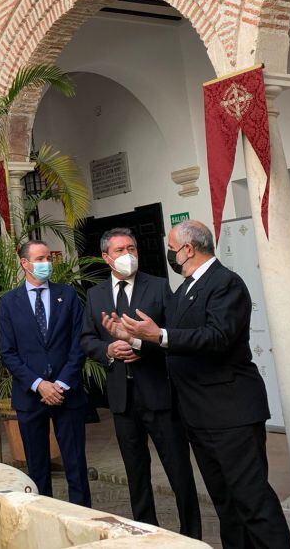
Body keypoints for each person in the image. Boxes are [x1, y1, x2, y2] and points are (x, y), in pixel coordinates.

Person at [115, 219, 290, 549]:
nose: (168, 253)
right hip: (199, 415)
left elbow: (217, 337)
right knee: (225, 503)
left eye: (171, 247)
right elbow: (173, 343)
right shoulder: (186, 288)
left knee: (252, 501)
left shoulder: (225, 283)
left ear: (187, 249)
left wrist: (160, 334)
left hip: (231, 412)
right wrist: (136, 339)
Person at [79, 228, 201, 538]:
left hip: (159, 394)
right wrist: (108, 349)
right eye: (120, 250)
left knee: (179, 471)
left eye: (131, 248)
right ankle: (148, 534)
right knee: (136, 473)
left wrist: (137, 344)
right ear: (107, 257)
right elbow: (87, 339)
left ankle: (191, 535)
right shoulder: (95, 295)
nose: (127, 255)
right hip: (122, 399)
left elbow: (174, 335)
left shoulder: (159, 287)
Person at [0, 240, 91, 506]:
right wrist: (40, 385)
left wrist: (60, 384)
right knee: (37, 469)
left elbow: (79, 342)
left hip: (67, 394)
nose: (46, 263)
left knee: (76, 465)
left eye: (48, 257)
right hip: (30, 397)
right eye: (40, 259)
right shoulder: (9, 303)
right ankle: (43, 519)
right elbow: (8, 353)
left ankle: (83, 518)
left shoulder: (68, 295)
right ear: (25, 263)